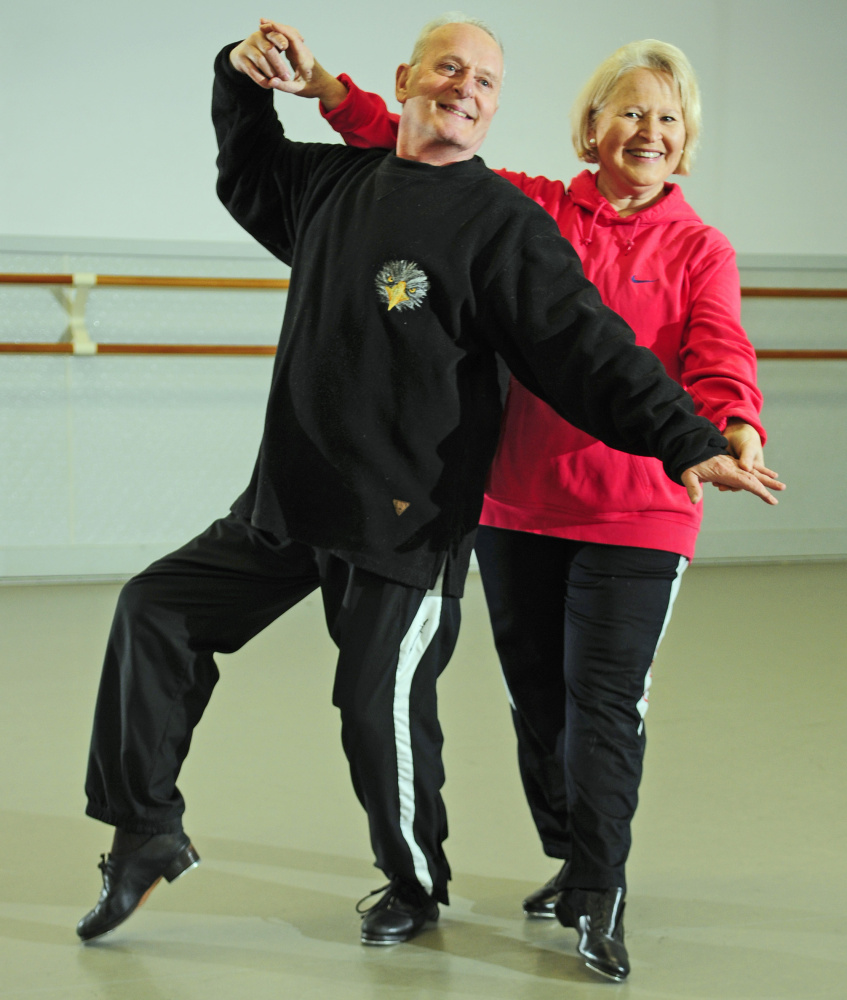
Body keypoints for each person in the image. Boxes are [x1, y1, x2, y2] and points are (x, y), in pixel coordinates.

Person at [76, 15, 781, 958]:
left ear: (495, 110)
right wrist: (239, 78)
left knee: (377, 715)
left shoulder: (503, 225)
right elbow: (247, 165)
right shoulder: (333, 185)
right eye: (449, 69)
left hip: (406, 529)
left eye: (486, 82)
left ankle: (414, 883)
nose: (466, 88)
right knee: (153, 610)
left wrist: (688, 436)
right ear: (407, 78)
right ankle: (144, 830)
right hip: (285, 507)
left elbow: (590, 352)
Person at [292, 31, 778, 981]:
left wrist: (735, 433)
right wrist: (318, 86)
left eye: (667, 119)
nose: (648, 130)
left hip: (640, 508)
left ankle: (601, 886)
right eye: (629, 111)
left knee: (603, 705)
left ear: (686, 143)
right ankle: (569, 854)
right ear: (590, 127)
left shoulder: (696, 246)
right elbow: (410, 134)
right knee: (537, 703)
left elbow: (720, 357)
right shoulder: (531, 207)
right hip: (517, 503)